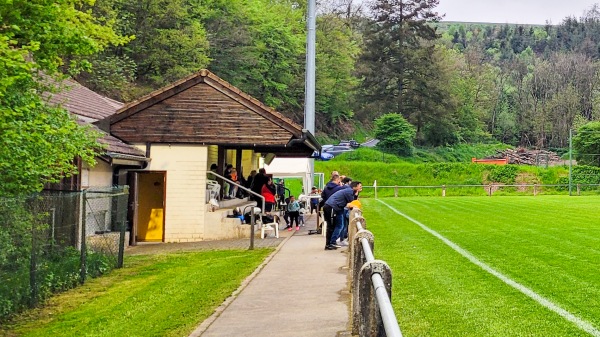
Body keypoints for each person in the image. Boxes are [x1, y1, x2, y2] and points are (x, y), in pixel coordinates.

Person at [324, 181, 362, 250]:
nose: (361, 187)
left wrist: (356, 195)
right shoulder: (349, 191)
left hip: (338, 208)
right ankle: (329, 244)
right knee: (331, 226)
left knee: (340, 225)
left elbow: (353, 202)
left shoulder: (350, 191)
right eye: (360, 186)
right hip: (331, 207)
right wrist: (356, 195)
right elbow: (352, 203)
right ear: (355, 187)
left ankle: (333, 242)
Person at [321, 174, 344, 248]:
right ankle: (330, 243)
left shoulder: (326, 187)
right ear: (337, 180)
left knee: (330, 225)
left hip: (327, 206)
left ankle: (329, 243)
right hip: (334, 207)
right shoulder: (338, 188)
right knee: (336, 226)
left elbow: (323, 196)